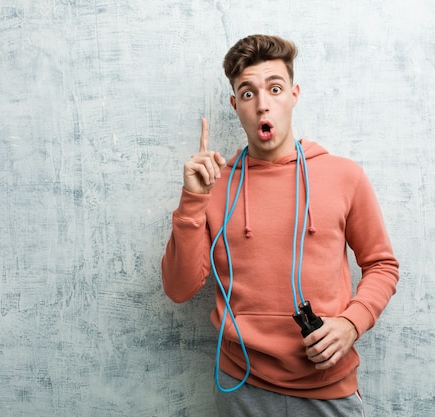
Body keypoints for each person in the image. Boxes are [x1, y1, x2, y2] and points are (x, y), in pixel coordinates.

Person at [161, 34, 399, 416]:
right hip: (241, 387)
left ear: (293, 94)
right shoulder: (214, 185)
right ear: (235, 104)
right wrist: (192, 200)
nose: (263, 104)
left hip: (328, 387)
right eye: (249, 93)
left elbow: (382, 265)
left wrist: (351, 324)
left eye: (275, 88)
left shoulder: (344, 176)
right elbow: (178, 288)